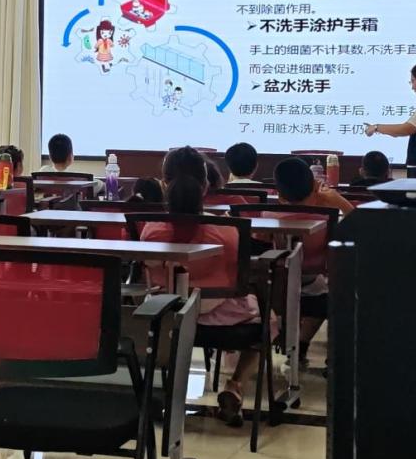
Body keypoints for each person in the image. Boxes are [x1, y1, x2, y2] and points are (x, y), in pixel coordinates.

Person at [141, 146, 274, 427]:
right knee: (270, 320)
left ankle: (164, 387)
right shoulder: (228, 230)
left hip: (167, 317)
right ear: (205, 186)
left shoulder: (151, 230)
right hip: (225, 322)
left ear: (164, 184)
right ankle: (235, 384)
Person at [274, 157, 354, 364]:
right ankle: (306, 346)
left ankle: (294, 343)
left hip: (273, 292)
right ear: (315, 187)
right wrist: (337, 201)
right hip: (315, 291)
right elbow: (360, 224)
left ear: (279, 194)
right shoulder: (326, 218)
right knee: (329, 292)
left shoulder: (267, 215)